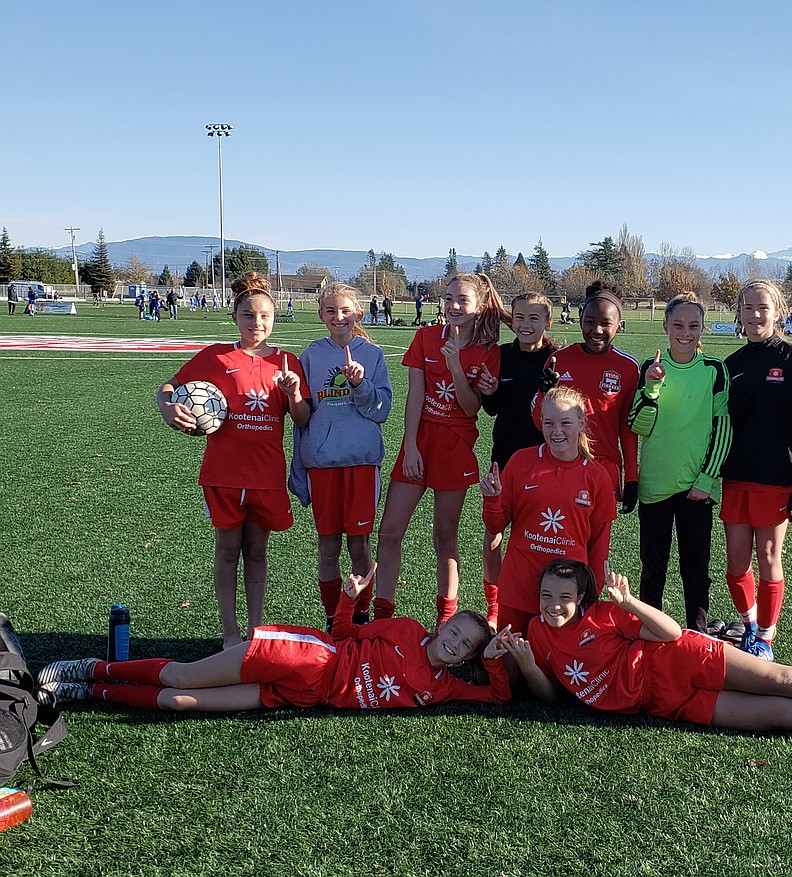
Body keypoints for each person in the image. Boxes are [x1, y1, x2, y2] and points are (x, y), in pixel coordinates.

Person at [499, 561, 792, 754]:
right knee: (781, 715)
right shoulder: (537, 633)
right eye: (546, 596)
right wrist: (526, 663)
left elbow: (670, 632)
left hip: (682, 659)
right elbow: (550, 696)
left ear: (582, 598)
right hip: (668, 704)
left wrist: (630, 602)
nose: (553, 605)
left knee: (783, 679)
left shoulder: (606, 612)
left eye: (564, 598)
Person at [36, 566, 511, 712]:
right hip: (306, 658)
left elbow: (498, 694)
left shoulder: (444, 687)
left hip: (303, 696)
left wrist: (493, 659)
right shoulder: (406, 629)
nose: (454, 642)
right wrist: (349, 598)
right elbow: (342, 633)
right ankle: (89, 668)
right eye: (455, 631)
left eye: (465, 644)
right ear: (442, 624)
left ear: (466, 655)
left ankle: (90, 692)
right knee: (185, 674)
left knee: (179, 702)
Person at [156, 271, 309, 649]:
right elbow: (169, 387)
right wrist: (166, 407)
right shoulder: (215, 357)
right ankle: (229, 632)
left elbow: (303, 418)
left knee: (257, 552)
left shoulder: (287, 362)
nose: (257, 324)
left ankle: (255, 631)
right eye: (248, 315)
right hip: (224, 473)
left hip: (266, 474)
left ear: (275, 319)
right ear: (234, 317)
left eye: (264, 317)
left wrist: (293, 394)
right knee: (227, 551)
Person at [374, 272, 505, 627]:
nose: (453, 306)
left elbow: (470, 408)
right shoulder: (425, 336)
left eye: (462, 299)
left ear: (478, 306)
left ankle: (445, 623)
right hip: (419, 446)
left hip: (455, 448)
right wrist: (411, 446)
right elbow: (415, 395)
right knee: (389, 533)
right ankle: (381, 618)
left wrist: (455, 367)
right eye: (448, 298)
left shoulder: (488, 352)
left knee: (445, 537)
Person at [720, 279, 792, 662]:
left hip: (777, 477)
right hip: (737, 475)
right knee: (735, 562)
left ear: (778, 312)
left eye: (763, 308)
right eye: (747, 308)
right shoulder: (732, 365)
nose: (755, 315)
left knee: (769, 556)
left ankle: (765, 636)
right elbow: (719, 426)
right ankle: (748, 626)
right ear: (740, 314)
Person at [289, 283, 392, 632]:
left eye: (345, 311)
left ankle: (359, 616)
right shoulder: (311, 356)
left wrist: (360, 385)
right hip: (323, 464)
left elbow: (382, 411)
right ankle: (334, 617)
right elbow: (302, 417)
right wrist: (292, 396)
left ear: (358, 314)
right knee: (328, 546)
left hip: (361, 463)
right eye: (331, 311)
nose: (338, 317)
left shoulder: (372, 355)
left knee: (359, 545)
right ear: (320, 316)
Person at [628, 292, 731, 634]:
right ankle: (650, 633)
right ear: (666, 326)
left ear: (703, 328)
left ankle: (697, 635)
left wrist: (707, 478)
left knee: (696, 570)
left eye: (693, 325)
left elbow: (723, 429)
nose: (685, 332)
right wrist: (652, 389)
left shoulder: (715, 370)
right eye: (678, 325)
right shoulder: (650, 367)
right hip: (654, 486)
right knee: (653, 569)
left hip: (695, 488)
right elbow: (637, 425)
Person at [480, 386, 616, 636]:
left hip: (566, 596)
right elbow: (495, 526)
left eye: (566, 423)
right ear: (540, 422)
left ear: (582, 423)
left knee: (557, 673)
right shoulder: (521, 462)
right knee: (510, 672)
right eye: (549, 423)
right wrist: (492, 499)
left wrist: (590, 594)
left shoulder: (597, 476)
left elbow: (599, 542)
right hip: (518, 587)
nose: (557, 432)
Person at [476, 291, 559, 627]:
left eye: (534, 318)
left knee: (539, 534)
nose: (526, 325)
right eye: (520, 317)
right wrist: (490, 390)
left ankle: (539, 600)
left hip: (544, 462)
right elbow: (492, 409)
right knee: (494, 531)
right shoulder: (501, 355)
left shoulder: (556, 359)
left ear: (547, 322)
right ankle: (494, 602)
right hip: (505, 457)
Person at [534, 281, 641, 513]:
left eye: (606, 323)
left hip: (604, 467)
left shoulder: (629, 367)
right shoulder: (559, 360)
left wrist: (632, 477)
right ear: (581, 319)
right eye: (590, 322)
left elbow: (627, 426)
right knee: (560, 540)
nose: (597, 330)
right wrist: (543, 394)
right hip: (561, 463)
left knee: (599, 541)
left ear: (619, 325)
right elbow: (539, 421)